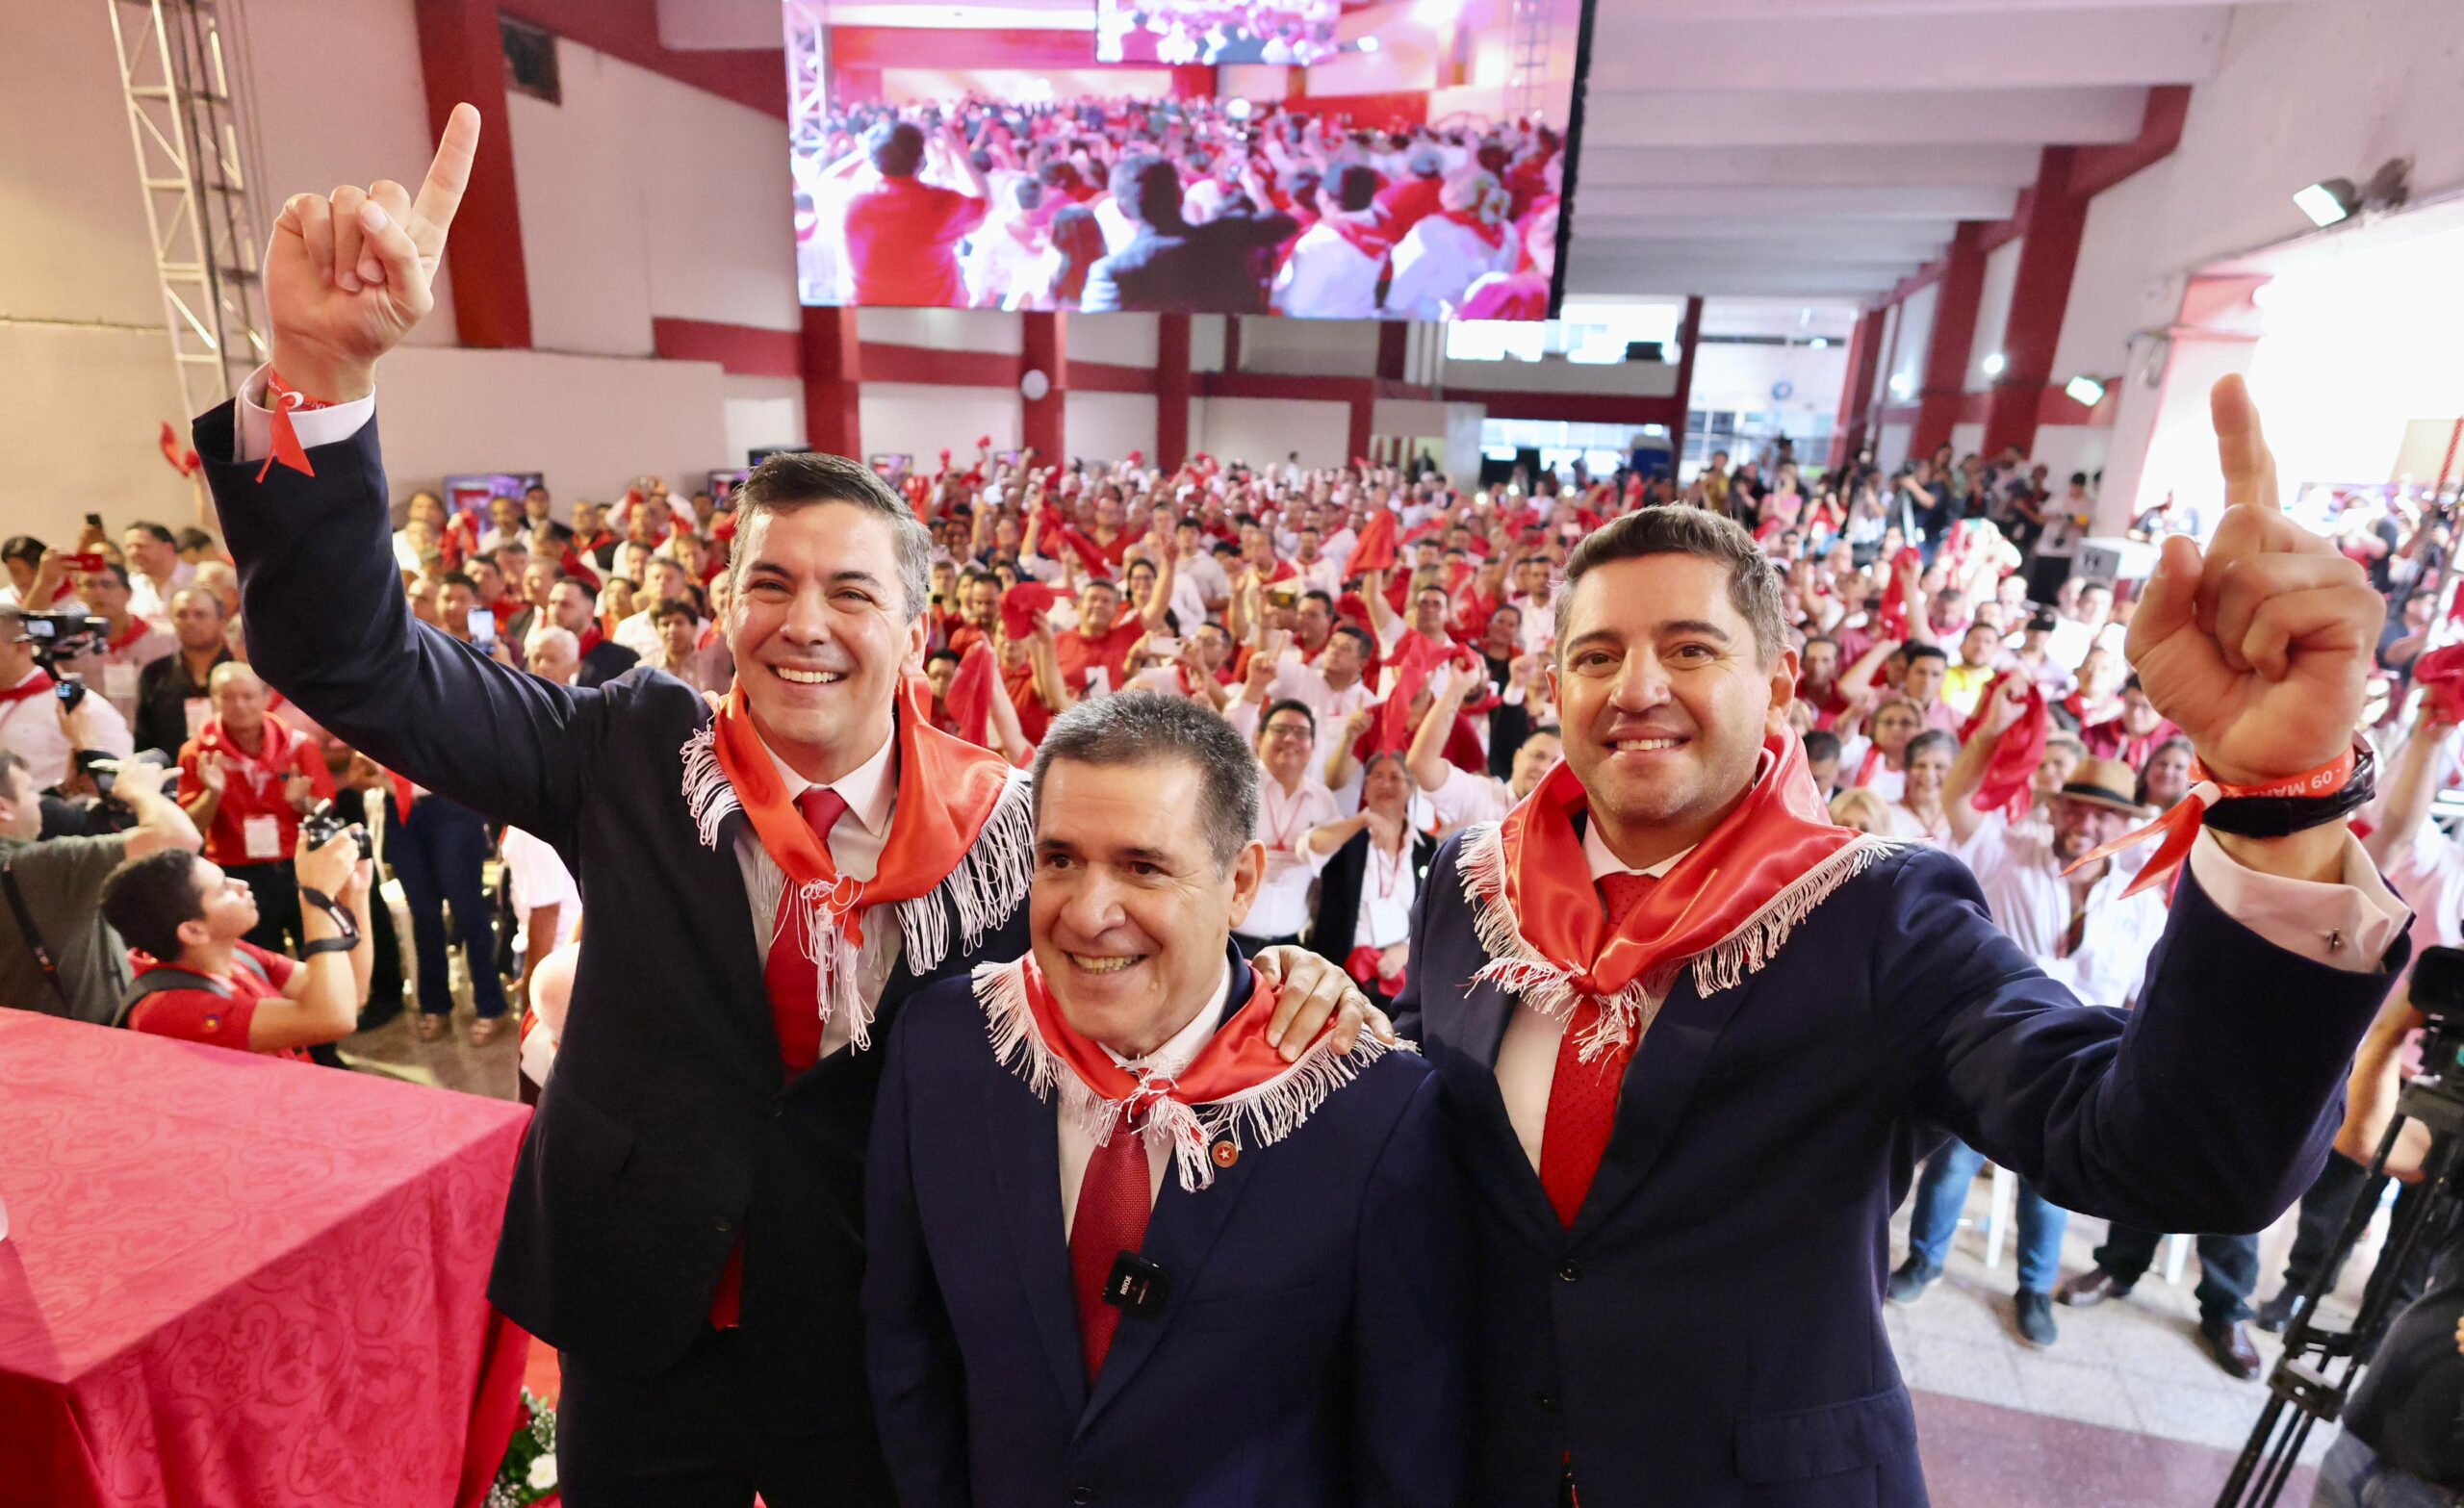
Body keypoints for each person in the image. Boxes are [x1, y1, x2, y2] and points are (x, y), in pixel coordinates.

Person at [203, 105, 1373, 1507]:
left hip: (882, 1336)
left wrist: (1284, 987)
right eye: (771, 584)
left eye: (851, 590)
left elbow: (1139, 968)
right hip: (645, 1327)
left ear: (919, 626)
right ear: (725, 606)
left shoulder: (1008, 830)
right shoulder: (628, 748)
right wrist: (325, 380)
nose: (803, 624)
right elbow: (355, 660)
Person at [1393, 424, 2409, 1505]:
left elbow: (2167, 1154)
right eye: (1595, 655)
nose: (1634, 686)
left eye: (1690, 648)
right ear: (1554, 683)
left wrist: (2276, 806)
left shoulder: (1877, 908)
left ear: (1778, 682)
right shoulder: (1471, 881)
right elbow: (1424, 1136)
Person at [863, 693, 1471, 1508]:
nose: (1087, 911)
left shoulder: (1371, 1109)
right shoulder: (944, 1046)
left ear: (1242, 882)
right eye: (1061, 859)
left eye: (1143, 866)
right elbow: (907, 1348)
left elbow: (1406, 1445)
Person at [1891, 733, 2170, 1350]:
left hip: (2079, 1063)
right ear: (2056, 809)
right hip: (1990, 1044)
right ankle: (1922, 1263)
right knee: (1951, 1165)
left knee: (2052, 1184)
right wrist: (1995, 719)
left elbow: (2141, 995)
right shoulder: (2008, 853)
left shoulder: (2141, 903)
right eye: (2074, 807)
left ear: (2123, 824)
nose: (2084, 821)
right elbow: (1959, 793)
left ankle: (2033, 1291)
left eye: (2101, 813)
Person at [100, 823, 373, 1061]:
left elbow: (352, 995)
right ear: (193, 932)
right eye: (223, 889)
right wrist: (316, 897)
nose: (241, 885)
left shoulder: (233, 954)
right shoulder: (166, 1012)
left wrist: (356, 891)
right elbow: (333, 1019)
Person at [0, 747, 198, 1021]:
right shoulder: (42, 866)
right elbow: (178, 839)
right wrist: (140, 791)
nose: (40, 801)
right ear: (3, 808)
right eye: (30, 790)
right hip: (81, 1043)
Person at [176, 662, 335, 955]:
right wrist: (212, 793)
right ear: (213, 700)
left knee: (319, 956)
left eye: (248, 696)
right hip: (236, 874)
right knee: (257, 966)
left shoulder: (299, 746)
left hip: (296, 865)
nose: (239, 705)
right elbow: (189, 826)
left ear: (265, 698)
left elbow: (326, 812)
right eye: (228, 697)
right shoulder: (198, 753)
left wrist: (302, 802)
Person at [1081, 156, 1296, 316]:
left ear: (1122, 210)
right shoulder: (1229, 234)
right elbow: (1286, 223)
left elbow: (1095, 337)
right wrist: (1252, 188)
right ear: (1180, 196)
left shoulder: (1112, 272)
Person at [1307, 751, 1435, 1009]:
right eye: (1376, 777)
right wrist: (1362, 820)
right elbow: (1311, 845)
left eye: (1395, 777)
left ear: (1410, 789)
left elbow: (1434, 913)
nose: (1385, 784)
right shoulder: (1346, 834)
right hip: (1341, 973)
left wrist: (1407, 950)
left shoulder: (1427, 847)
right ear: (1364, 788)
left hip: (1400, 976)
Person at [840, 119, 988, 309]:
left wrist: (871, 151)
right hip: (937, 326)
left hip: (870, 324)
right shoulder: (942, 204)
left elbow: (827, 181)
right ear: (921, 159)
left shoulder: (851, 206)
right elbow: (982, 203)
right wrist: (955, 151)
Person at [1241, 698, 1341, 953]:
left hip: (1289, 946)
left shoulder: (1323, 799)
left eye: (1301, 733)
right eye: (1280, 730)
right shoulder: (1238, 788)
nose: (1290, 739)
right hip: (1231, 940)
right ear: (1258, 738)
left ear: (1313, 746)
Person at [133, 586, 236, 756]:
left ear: (221, 620)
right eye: (181, 615)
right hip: (172, 776)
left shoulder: (239, 670)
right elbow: (144, 740)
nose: (190, 622)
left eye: (200, 614)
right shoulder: (155, 673)